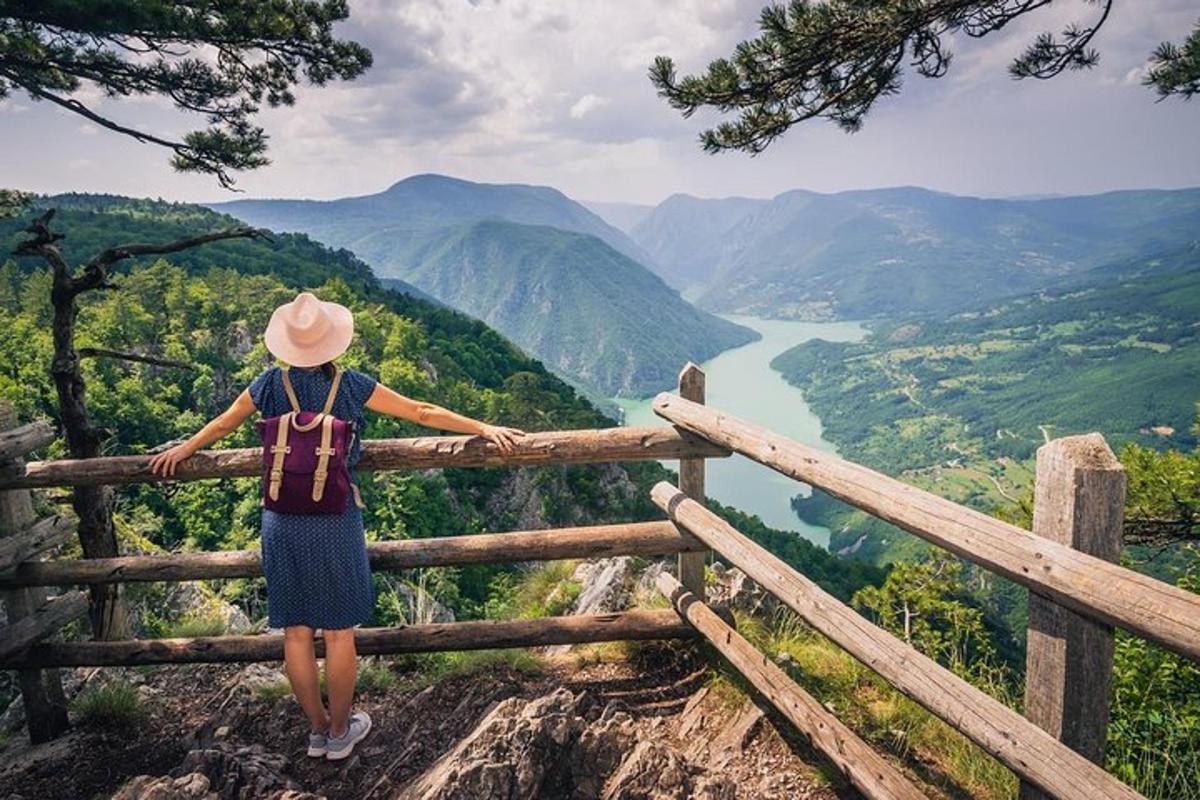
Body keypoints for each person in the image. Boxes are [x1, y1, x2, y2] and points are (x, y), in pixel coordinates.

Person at [149, 291, 525, 761]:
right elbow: (421, 412)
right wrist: (482, 427)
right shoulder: (350, 386)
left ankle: (318, 730)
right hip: (334, 516)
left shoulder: (268, 384)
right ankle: (342, 732)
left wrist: (183, 450)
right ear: (333, 343)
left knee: (296, 633)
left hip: (280, 519)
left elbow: (223, 425)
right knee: (340, 631)